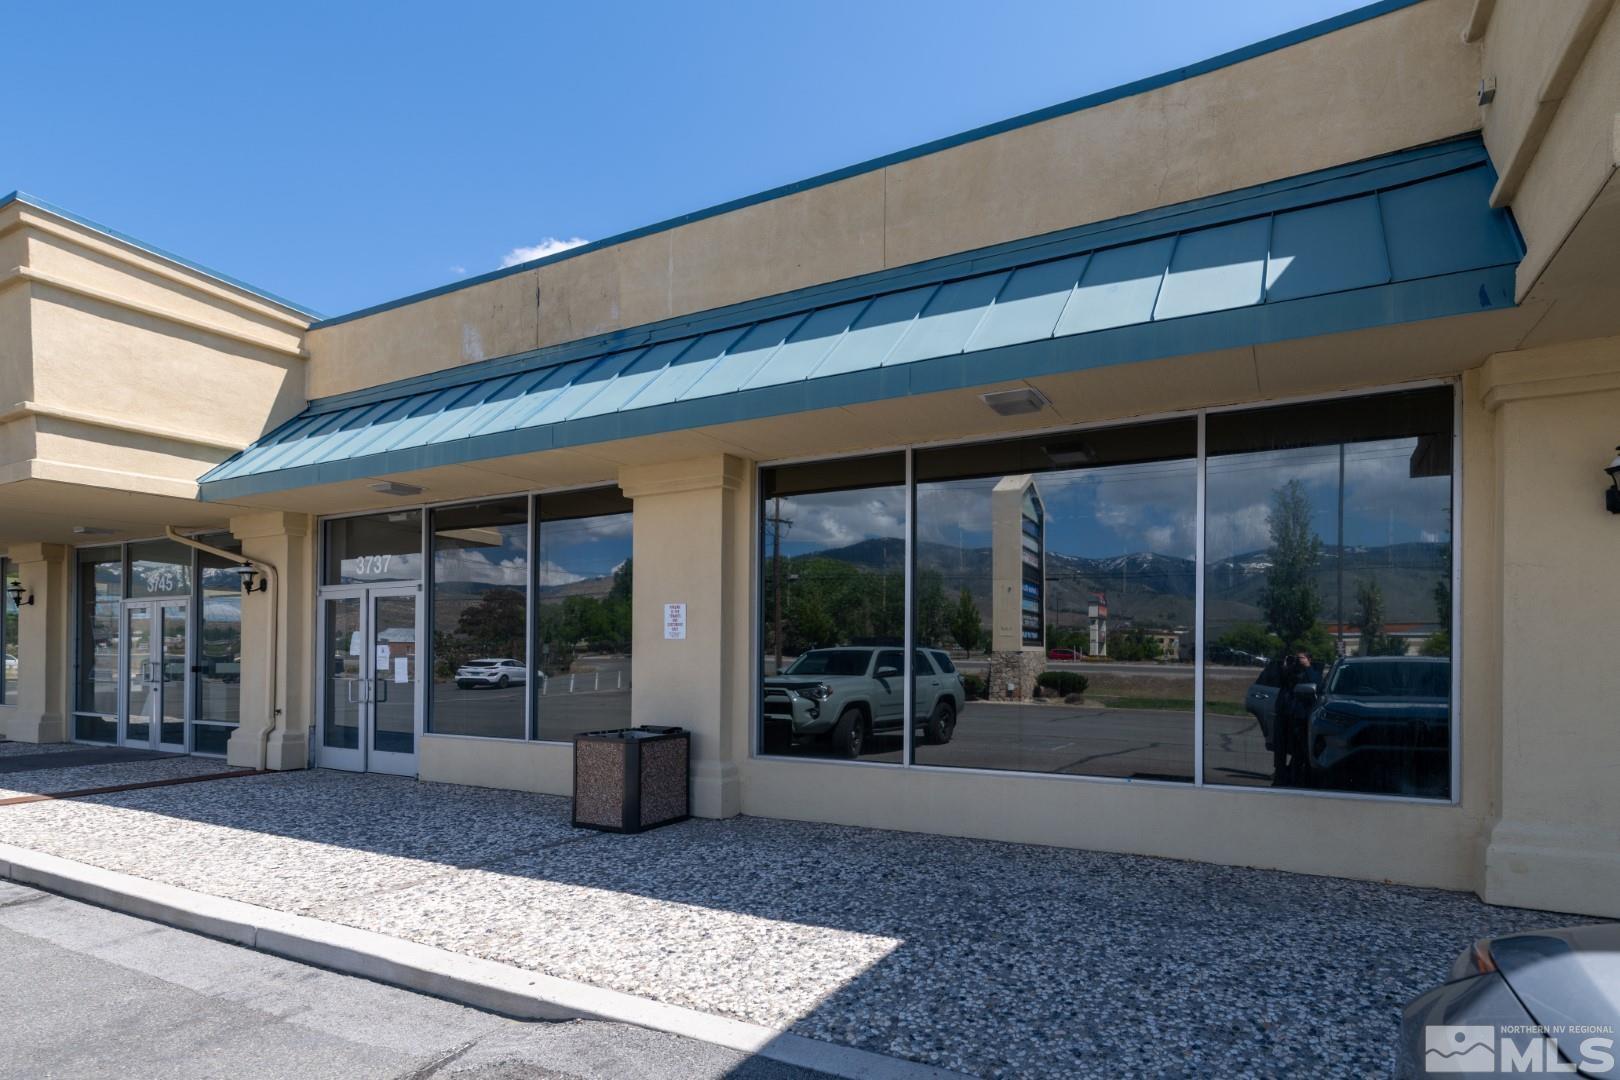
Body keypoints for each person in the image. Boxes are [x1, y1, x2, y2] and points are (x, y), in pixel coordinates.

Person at [1272, 649, 1320, 786]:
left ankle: (1296, 774)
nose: (1297, 661)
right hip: (1284, 715)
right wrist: (1286, 666)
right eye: (1296, 658)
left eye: (1301, 658)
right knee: (1280, 747)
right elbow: (1277, 681)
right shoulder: (1290, 672)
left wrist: (1307, 667)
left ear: (1309, 660)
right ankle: (1280, 774)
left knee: (1299, 749)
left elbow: (1316, 683)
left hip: (1300, 717)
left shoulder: (1311, 673)